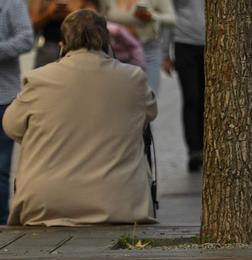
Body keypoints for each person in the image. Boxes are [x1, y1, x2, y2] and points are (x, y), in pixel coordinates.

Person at [2, 9, 157, 226]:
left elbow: (12, 127)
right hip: (120, 206)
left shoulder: (38, 79)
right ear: (107, 43)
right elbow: (150, 112)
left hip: (47, 205)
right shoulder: (133, 78)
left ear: (62, 45)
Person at [0, 1, 34, 224]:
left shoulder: (12, 3)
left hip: (4, 95)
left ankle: (2, 221)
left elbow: (26, 38)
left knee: (1, 168)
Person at [162, 0, 205, 172]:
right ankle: (194, 150)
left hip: (211, 44)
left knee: (207, 99)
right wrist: (165, 53)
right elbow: (168, 14)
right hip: (184, 43)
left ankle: (208, 147)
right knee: (191, 98)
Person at [102, 0, 176, 92]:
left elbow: (172, 19)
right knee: (119, 99)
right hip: (116, 53)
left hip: (148, 50)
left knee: (148, 98)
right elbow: (94, 15)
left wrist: (152, 16)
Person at [76, 0, 145, 68]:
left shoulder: (114, 30)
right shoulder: (79, 32)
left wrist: (138, 68)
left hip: (122, 64)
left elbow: (134, 47)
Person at [29, 0, 73, 68]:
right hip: (49, 45)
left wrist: (72, 13)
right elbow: (31, 24)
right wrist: (49, 13)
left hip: (73, 47)